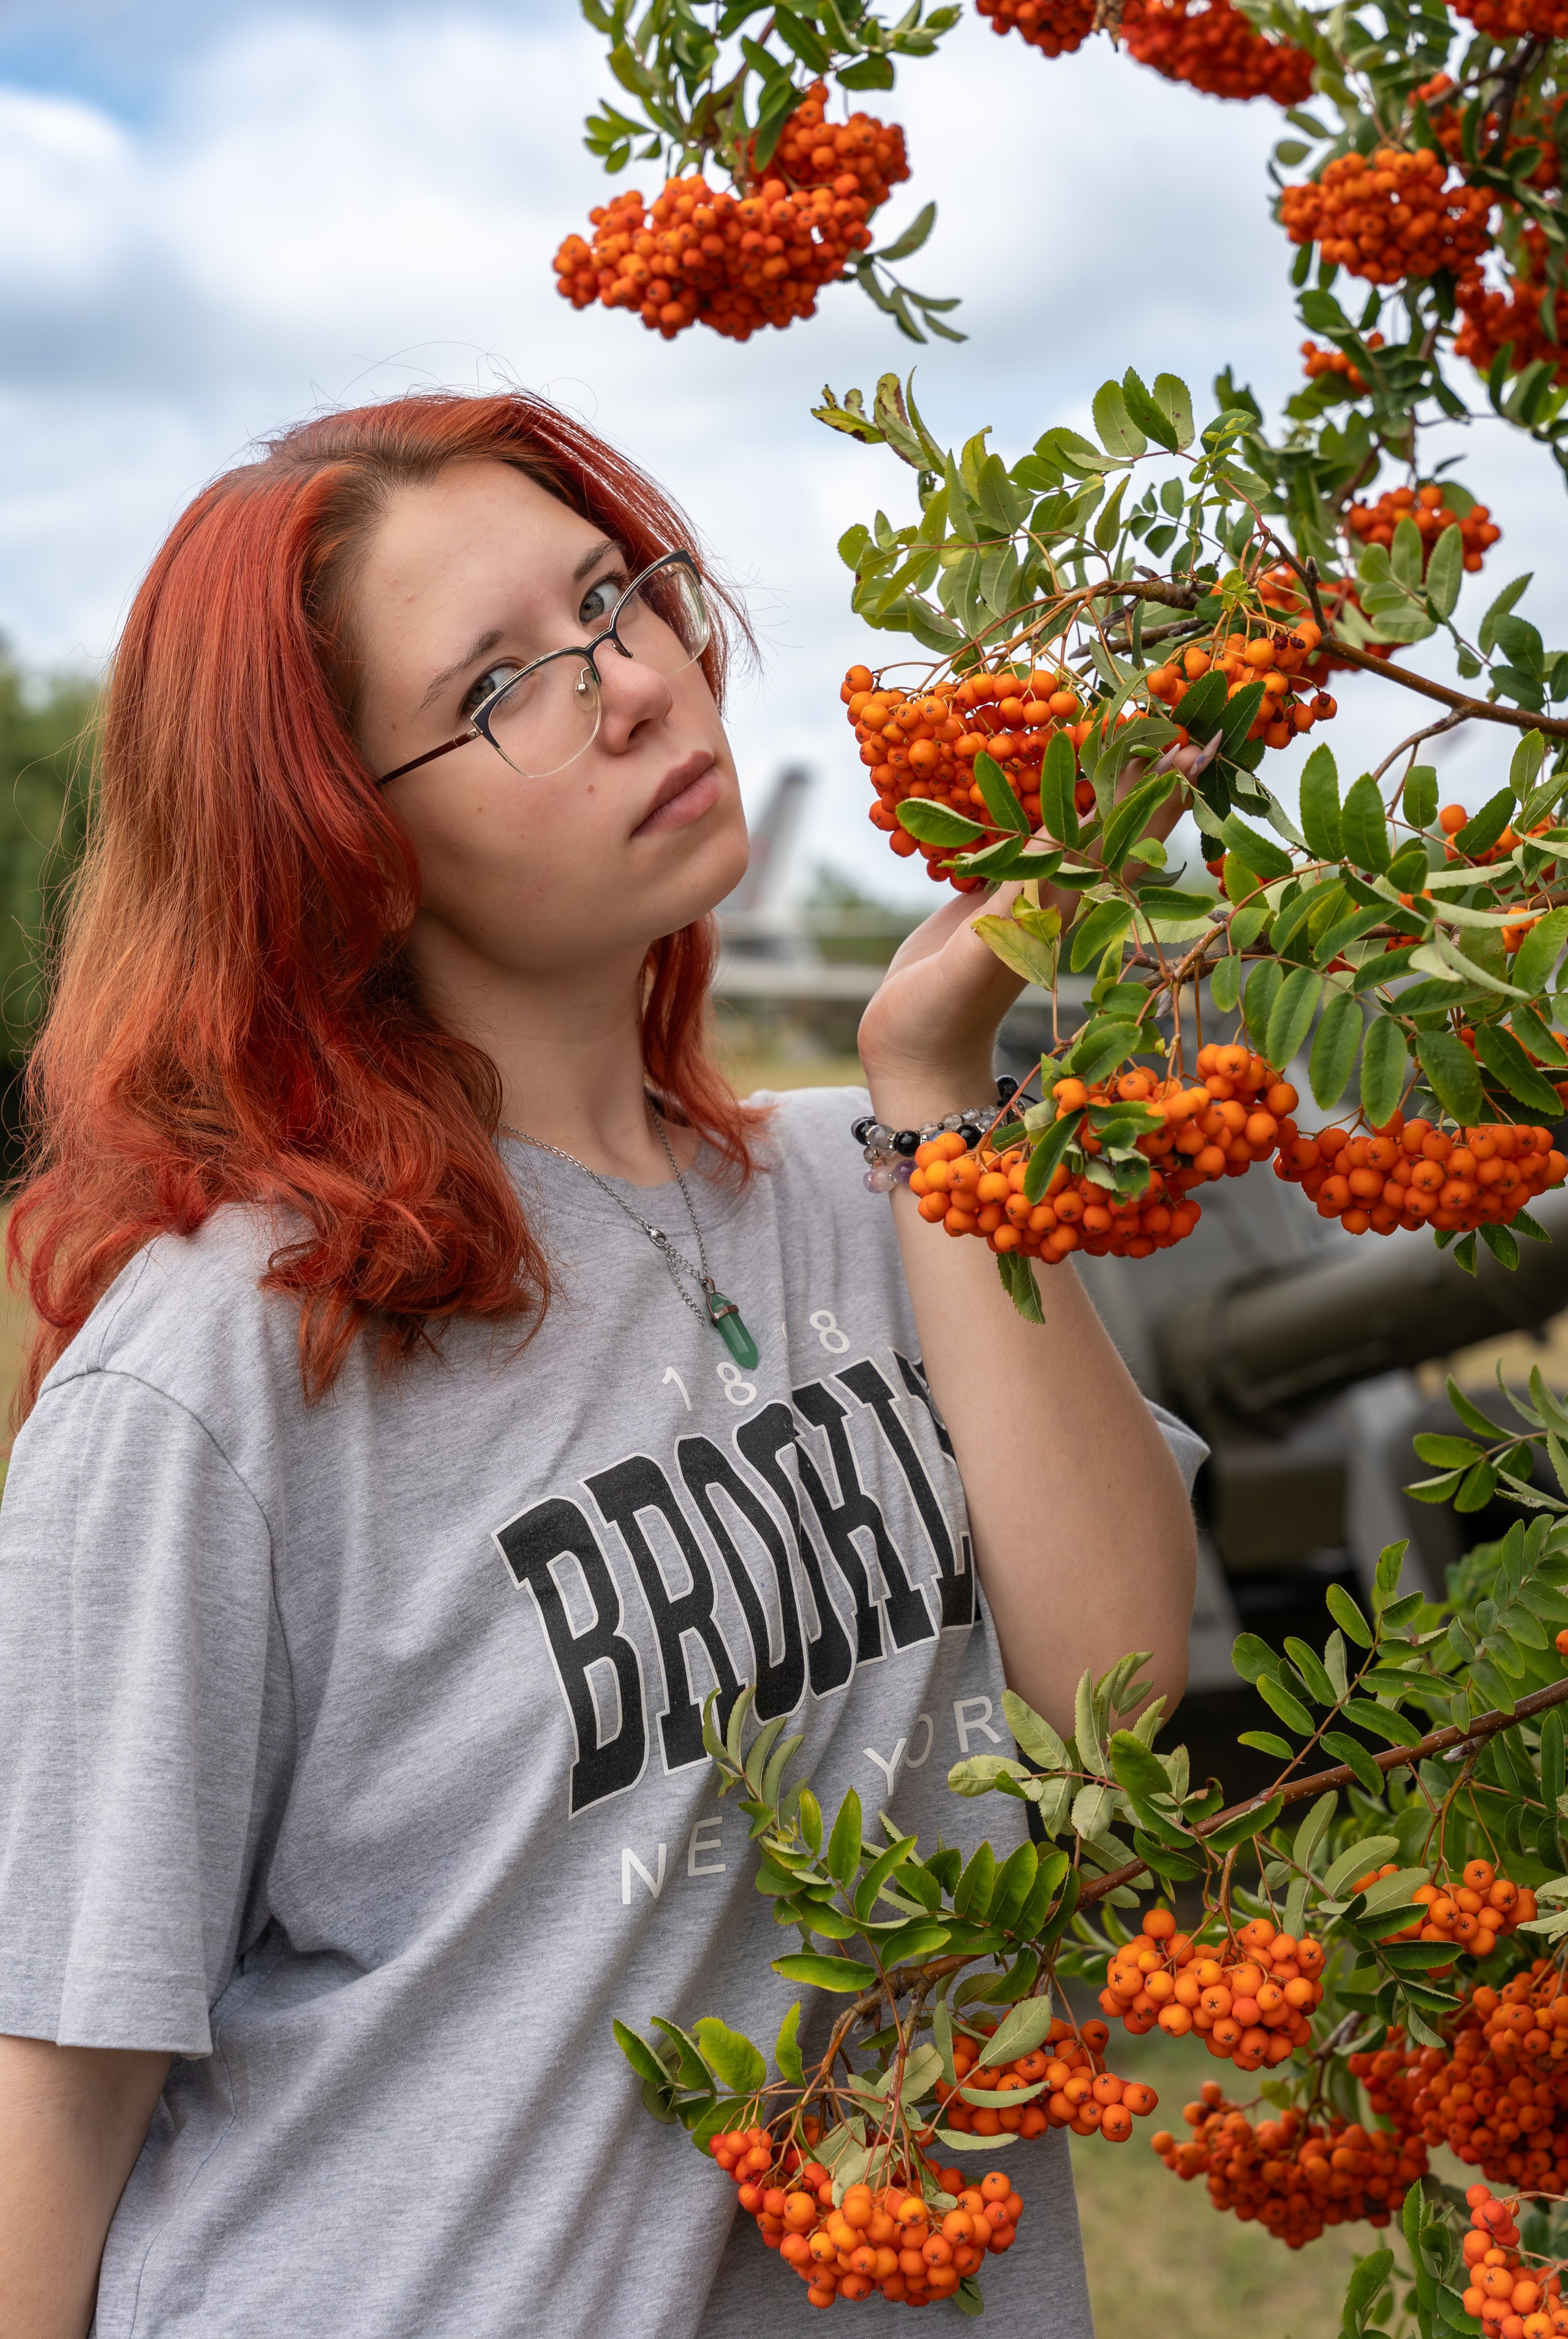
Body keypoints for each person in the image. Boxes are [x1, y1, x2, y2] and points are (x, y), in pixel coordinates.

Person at [0, 391, 1201, 2338]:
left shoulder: (882, 1178)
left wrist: (933, 1090)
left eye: (616, 598)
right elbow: (51, 2089)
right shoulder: (221, 1375)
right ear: (340, 846)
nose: (632, 684)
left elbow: (1117, 1715)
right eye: (500, 690)